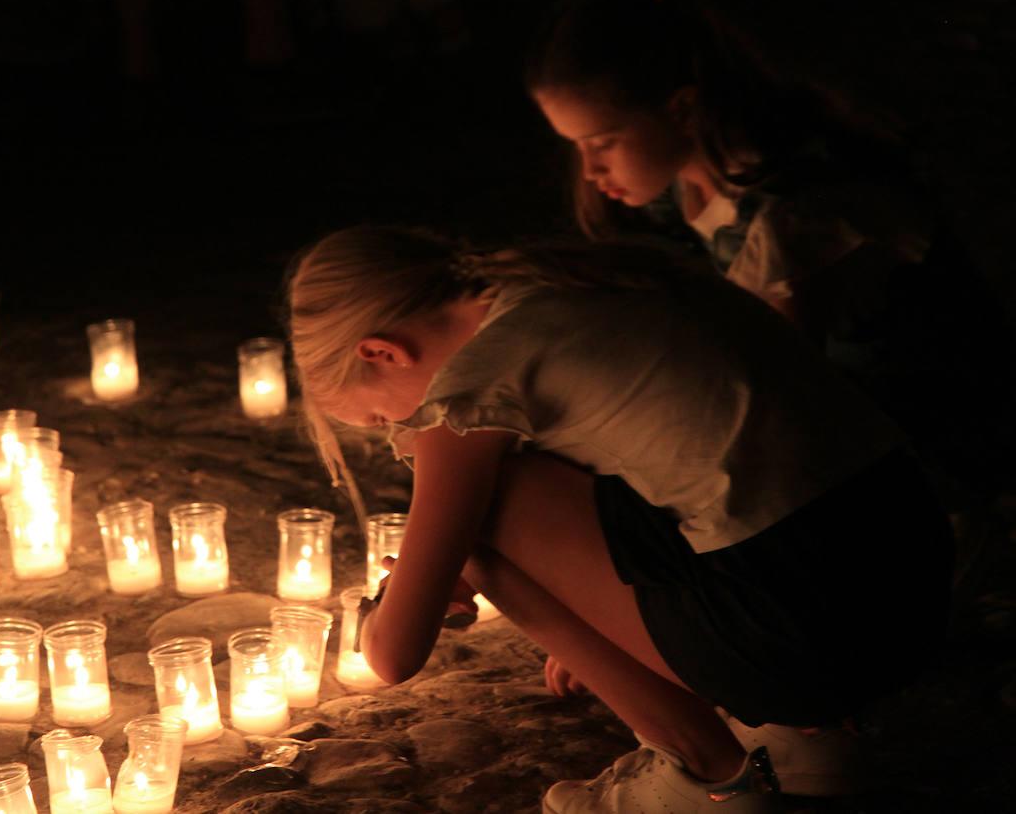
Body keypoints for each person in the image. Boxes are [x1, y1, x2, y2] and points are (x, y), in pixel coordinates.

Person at [286, 225, 953, 813]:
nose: (398, 429)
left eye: (381, 419)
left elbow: (392, 655)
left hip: (804, 635)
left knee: (482, 516)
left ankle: (712, 780)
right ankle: (812, 741)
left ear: (382, 352)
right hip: (914, 579)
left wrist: (405, 594)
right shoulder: (579, 283)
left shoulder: (475, 387)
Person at [526, 0, 1012, 572]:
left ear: (681, 107)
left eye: (602, 142)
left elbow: (778, 400)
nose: (592, 170)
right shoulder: (687, 189)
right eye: (575, 147)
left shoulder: (797, 214)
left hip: (931, 460)